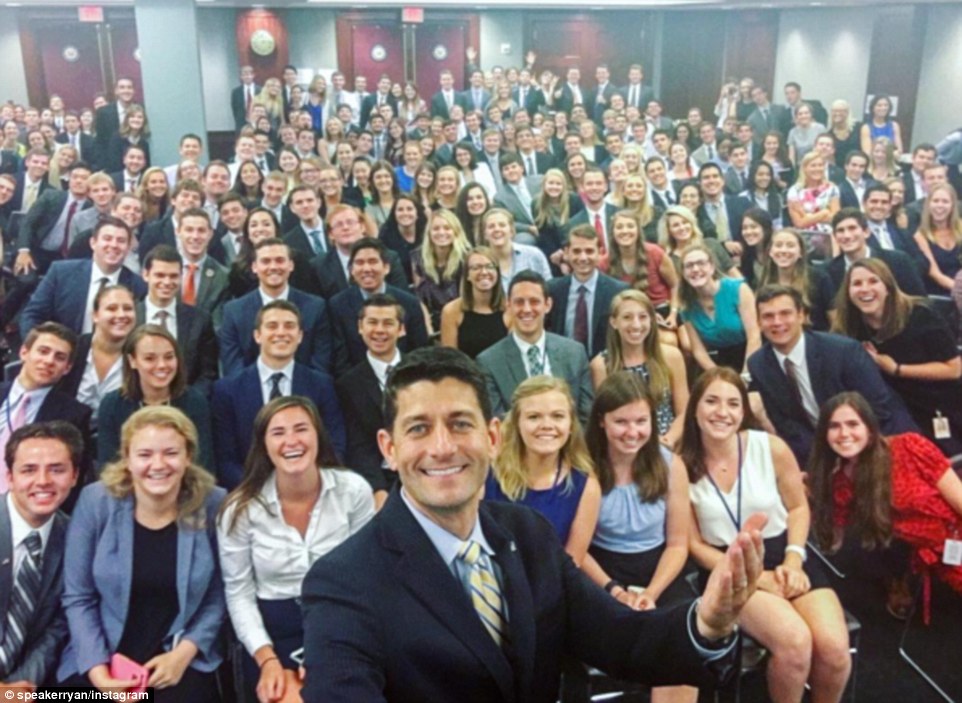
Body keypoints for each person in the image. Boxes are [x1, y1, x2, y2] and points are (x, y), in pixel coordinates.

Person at [301, 345, 767, 702]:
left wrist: (707, 622)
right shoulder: (343, 581)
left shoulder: (528, 534)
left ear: (491, 436)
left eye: (461, 424)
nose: (442, 447)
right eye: (418, 428)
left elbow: (621, 638)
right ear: (388, 448)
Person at [682, 367, 851, 703]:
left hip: (784, 552)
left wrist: (794, 559)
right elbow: (693, 545)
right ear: (695, 408)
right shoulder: (679, 465)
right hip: (726, 566)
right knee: (795, 644)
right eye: (711, 401)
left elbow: (798, 508)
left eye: (733, 403)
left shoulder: (770, 447)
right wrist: (758, 578)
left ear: (743, 411)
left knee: (834, 650)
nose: (722, 412)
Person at [58, 406, 225, 701]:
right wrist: (100, 675)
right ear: (127, 459)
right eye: (145, 454)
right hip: (102, 654)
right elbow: (78, 596)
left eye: (171, 453)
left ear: (188, 457)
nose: (158, 464)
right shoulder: (96, 501)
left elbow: (218, 594)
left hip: (177, 658)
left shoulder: (212, 503)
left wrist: (184, 653)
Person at [218, 396, 374, 702]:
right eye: (278, 433)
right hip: (273, 634)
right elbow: (239, 594)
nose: (291, 441)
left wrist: (328, 648)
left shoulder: (353, 491)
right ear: (264, 445)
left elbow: (368, 580)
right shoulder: (238, 511)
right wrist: (268, 660)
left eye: (301, 429)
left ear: (318, 435)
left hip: (342, 624)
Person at [583, 373, 697, 703]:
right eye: (621, 421)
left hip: (660, 567)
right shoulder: (584, 466)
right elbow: (577, 550)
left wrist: (651, 592)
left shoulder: (670, 465)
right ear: (602, 422)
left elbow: (678, 544)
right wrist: (615, 591)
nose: (633, 432)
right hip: (602, 569)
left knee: (680, 641)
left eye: (641, 421)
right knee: (631, 637)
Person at [808, 393, 962, 610]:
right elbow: (833, 543)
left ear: (869, 428)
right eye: (834, 426)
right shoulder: (840, 482)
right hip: (939, 556)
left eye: (853, 424)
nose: (844, 434)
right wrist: (812, 496)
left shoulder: (909, 446)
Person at [747, 284, 917, 466]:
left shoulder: (843, 351)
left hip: (880, 439)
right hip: (820, 452)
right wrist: (825, 459)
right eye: (768, 316)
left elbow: (878, 409)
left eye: (785, 313)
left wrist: (849, 453)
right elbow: (787, 425)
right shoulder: (759, 364)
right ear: (758, 322)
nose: (777, 322)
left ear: (801, 315)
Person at [832, 259, 962, 456]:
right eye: (857, 284)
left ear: (888, 287)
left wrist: (896, 369)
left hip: (937, 407)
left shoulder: (920, 314)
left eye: (873, 281)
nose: (865, 289)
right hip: (888, 416)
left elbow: (953, 369)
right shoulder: (846, 329)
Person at [0, 422, 82, 691]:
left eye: (57, 469)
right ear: (10, 476)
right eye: (29, 470)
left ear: (74, 476)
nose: (44, 481)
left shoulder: (77, 539)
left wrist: (21, 688)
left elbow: (57, 629)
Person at [485, 376, 601, 564]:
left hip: (550, 588)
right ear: (517, 424)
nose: (547, 425)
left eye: (557, 416)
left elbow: (571, 565)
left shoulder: (586, 486)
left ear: (571, 424)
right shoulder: (488, 472)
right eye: (534, 417)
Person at [478, 270, 594, 423]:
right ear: (509, 305)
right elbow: (498, 423)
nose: (526, 309)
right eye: (519, 302)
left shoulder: (574, 354)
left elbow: (586, 417)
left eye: (534, 301)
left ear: (547, 305)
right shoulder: (489, 362)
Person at [97, 325, 214, 470]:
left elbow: (203, 465)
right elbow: (109, 467)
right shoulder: (112, 404)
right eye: (150, 358)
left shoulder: (195, 401)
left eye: (169, 357)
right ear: (132, 361)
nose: (162, 365)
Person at [218, 238, 332, 376]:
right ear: (254, 267)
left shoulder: (315, 307)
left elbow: (321, 363)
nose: (273, 267)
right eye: (265, 261)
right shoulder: (234, 311)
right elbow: (233, 366)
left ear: (291, 265)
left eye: (280, 260)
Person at [590, 290, 689, 447]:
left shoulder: (671, 356)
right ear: (614, 322)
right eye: (627, 317)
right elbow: (604, 418)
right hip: (625, 445)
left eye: (642, 317)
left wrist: (668, 440)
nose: (636, 324)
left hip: (667, 444)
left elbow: (684, 411)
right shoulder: (601, 365)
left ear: (652, 319)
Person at [0, 323, 93, 490]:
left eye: (59, 357)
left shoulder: (74, 416)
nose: (49, 361)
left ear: (67, 368)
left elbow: (72, 482)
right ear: (24, 352)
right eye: (43, 351)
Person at [329, 238, 430, 376]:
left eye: (373, 261)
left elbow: (420, 352)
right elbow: (340, 359)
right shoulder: (337, 305)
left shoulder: (409, 303)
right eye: (359, 263)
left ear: (386, 267)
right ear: (351, 270)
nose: (366, 269)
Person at [56, 285, 138, 430]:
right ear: (95, 315)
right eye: (112, 308)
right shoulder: (73, 349)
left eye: (128, 308)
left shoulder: (140, 355)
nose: (121, 315)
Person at [547, 224, 629, 358]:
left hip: (605, 365)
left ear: (600, 252)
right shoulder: (553, 289)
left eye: (589, 251)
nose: (583, 258)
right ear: (567, 252)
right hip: (563, 365)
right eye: (577, 251)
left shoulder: (617, 291)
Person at [677, 243, 760, 373]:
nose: (695, 269)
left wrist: (746, 374)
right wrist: (719, 377)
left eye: (701, 263)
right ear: (683, 273)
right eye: (689, 266)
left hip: (753, 356)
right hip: (721, 363)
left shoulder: (738, 289)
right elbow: (698, 351)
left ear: (712, 267)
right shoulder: (686, 307)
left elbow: (754, 336)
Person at [825, 208, 925, 298]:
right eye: (840, 231)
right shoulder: (828, 272)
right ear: (835, 237)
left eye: (852, 228)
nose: (846, 235)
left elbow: (919, 301)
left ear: (866, 232)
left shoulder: (898, 261)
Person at [756, 228, 834, 330]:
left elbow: (834, 320)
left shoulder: (819, 278)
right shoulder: (763, 282)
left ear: (800, 252)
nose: (784, 250)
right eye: (778, 245)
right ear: (770, 252)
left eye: (790, 246)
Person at [440, 246, 510, 359]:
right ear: (467, 275)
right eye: (476, 267)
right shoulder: (451, 311)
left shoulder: (510, 308)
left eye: (490, 267)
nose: (484, 272)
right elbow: (450, 360)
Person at [411, 209, 470, 332]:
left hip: (460, 319)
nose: (441, 232)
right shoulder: (417, 257)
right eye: (436, 229)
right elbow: (419, 298)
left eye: (447, 228)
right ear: (429, 233)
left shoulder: (467, 258)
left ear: (456, 232)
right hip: (429, 320)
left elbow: (465, 299)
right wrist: (427, 326)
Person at [480, 208, 552, 294]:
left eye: (502, 225)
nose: (497, 229)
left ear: (511, 231)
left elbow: (549, 290)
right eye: (491, 226)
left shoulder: (534, 255)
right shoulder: (480, 263)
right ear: (485, 234)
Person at [657, 205, 738, 279]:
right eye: (676, 225)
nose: (682, 227)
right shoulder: (669, 260)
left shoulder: (712, 244)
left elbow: (735, 275)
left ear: (692, 224)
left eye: (685, 222)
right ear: (668, 231)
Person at [786, 152, 841, 258]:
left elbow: (835, 218)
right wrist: (824, 213)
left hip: (829, 239)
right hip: (804, 240)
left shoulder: (832, 188)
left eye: (820, 165)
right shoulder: (794, 191)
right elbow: (799, 223)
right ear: (805, 168)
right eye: (813, 165)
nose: (817, 169)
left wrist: (808, 217)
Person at [913, 183, 962, 293]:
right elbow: (935, 274)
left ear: (953, 205)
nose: (940, 205)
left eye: (945, 201)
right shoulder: (920, 235)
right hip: (940, 294)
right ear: (928, 204)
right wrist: (958, 289)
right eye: (935, 201)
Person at [378, 195, 427, 283]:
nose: (405, 213)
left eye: (409, 209)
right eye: (400, 210)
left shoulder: (427, 232)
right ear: (394, 214)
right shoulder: (385, 235)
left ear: (417, 213)